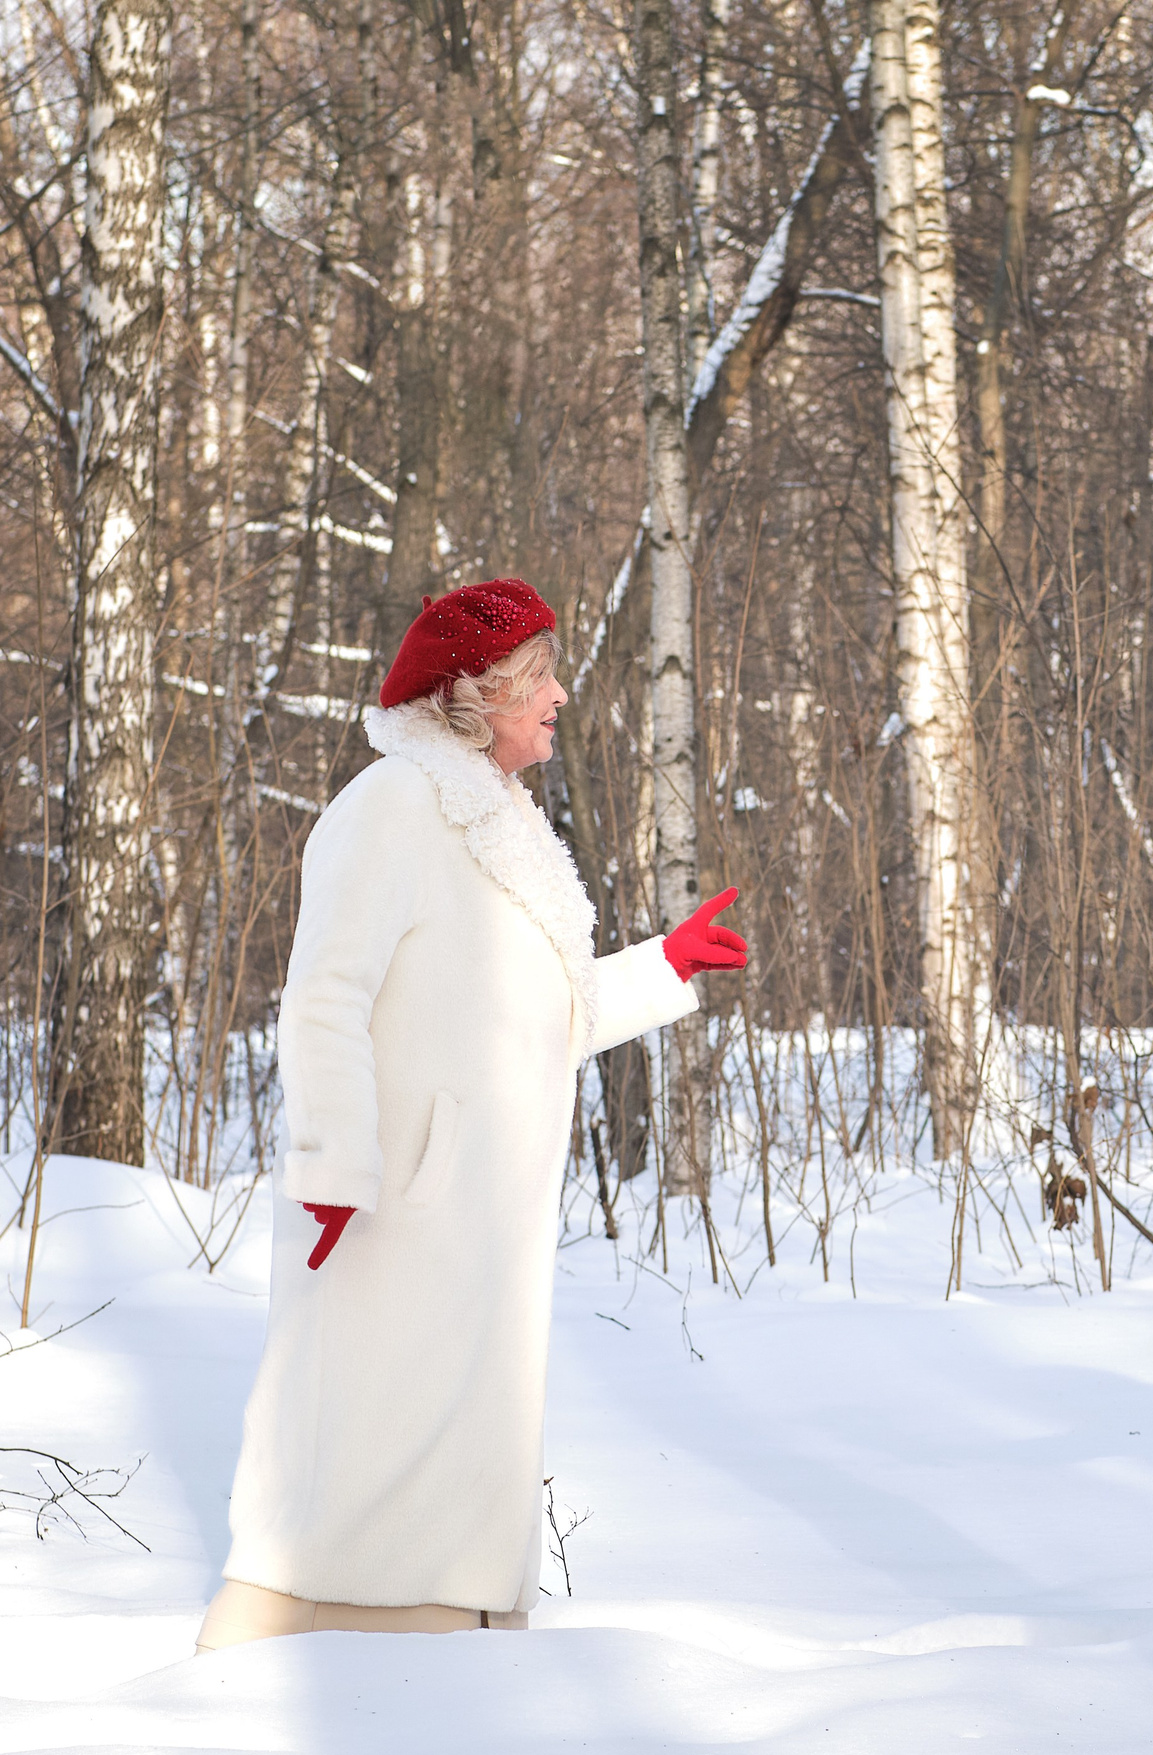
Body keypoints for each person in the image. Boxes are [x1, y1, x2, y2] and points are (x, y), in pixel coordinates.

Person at [197, 579, 749, 1649]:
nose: (559, 695)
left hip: (475, 1212)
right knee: (364, 1431)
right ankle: (279, 1636)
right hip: (391, 1201)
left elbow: (536, 1020)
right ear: (476, 694)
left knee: (456, 1425)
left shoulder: (500, 821)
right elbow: (323, 997)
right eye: (538, 677)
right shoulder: (391, 808)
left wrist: (663, 966)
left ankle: (467, 1628)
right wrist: (332, 1165)